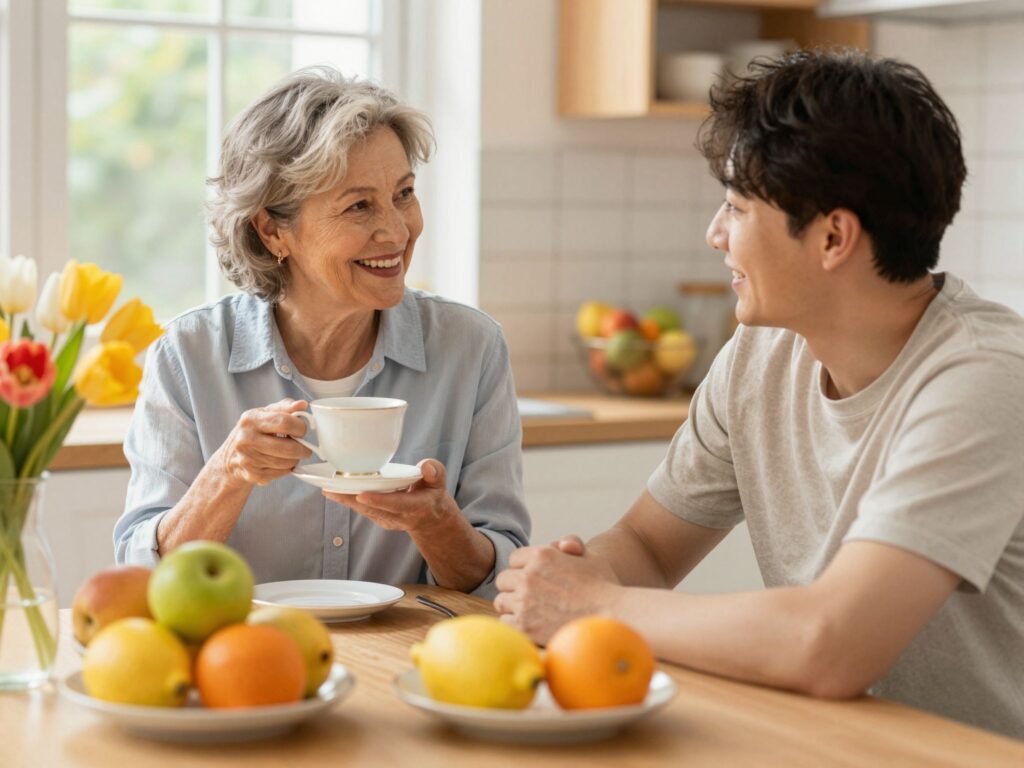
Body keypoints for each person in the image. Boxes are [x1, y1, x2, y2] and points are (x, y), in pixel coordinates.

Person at [495, 49, 1024, 739]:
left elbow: (831, 644)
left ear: (834, 236)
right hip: (828, 742)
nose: (715, 234)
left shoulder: (984, 379)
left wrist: (594, 605)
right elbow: (649, 549)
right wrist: (574, 578)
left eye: (736, 207)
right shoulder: (762, 351)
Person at [114, 66, 529, 598]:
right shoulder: (188, 355)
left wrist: (435, 521)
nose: (398, 232)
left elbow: (500, 578)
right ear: (272, 230)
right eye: (359, 206)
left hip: (411, 662)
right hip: (246, 660)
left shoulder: (471, 348)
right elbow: (142, 577)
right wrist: (229, 473)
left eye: (403, 193)